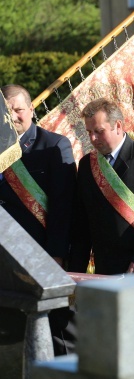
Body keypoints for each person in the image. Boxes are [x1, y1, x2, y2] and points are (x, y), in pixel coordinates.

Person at [0, 84, 77, 355]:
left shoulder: (54, 145)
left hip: (43, 257)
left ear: (31, 109)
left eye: (18, 110)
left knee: (56, 333)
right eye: (7, 113)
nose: (14, 118)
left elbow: (63, 207)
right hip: (5, 259)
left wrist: (57, 255)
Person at [69, 98, 134, 277]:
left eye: (99, 131)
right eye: (89, 132)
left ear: (118, 126)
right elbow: (83, 222)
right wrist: (75, 270)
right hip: (105, 269)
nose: (93, 138)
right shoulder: (87, 165)